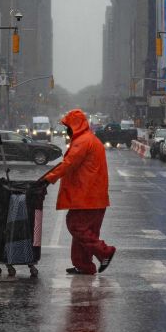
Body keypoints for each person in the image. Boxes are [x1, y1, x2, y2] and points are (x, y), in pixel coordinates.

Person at [38, 109, 116, 275]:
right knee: (87, 231)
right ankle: (84, 266)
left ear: (75, 125)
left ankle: (104, 252)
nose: (66, 130)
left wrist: (48, 179)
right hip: (95, 196)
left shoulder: (82, 141)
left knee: (76, 225)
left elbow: (68, 164)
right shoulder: (91, 139)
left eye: (68, 126)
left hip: (86, 196)